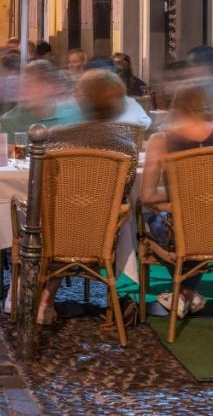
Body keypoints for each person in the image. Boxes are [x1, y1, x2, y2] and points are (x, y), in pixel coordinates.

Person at [26, 69, 140, 323]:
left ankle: (40, 297)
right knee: (116, 215)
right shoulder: (125, 148)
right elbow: (124, 192)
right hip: (101, 233)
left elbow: (36, 183)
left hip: (55, 227)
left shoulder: (53, 137)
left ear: (81, 101)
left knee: (59, 218)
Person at [140, 83, 213, 318]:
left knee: (154, 218)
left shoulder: (161, 140)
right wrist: (197, 197)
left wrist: (179, 195)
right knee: (194, 225)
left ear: (177, 106)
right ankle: (188, 293)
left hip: (180, 232)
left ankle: (182, 294)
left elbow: (147, 196)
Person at [0, 60, 82, 143]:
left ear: (50, 87)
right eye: (22, 85)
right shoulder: (10, 122)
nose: (22, 91)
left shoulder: (73, 113)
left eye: (29, 85)